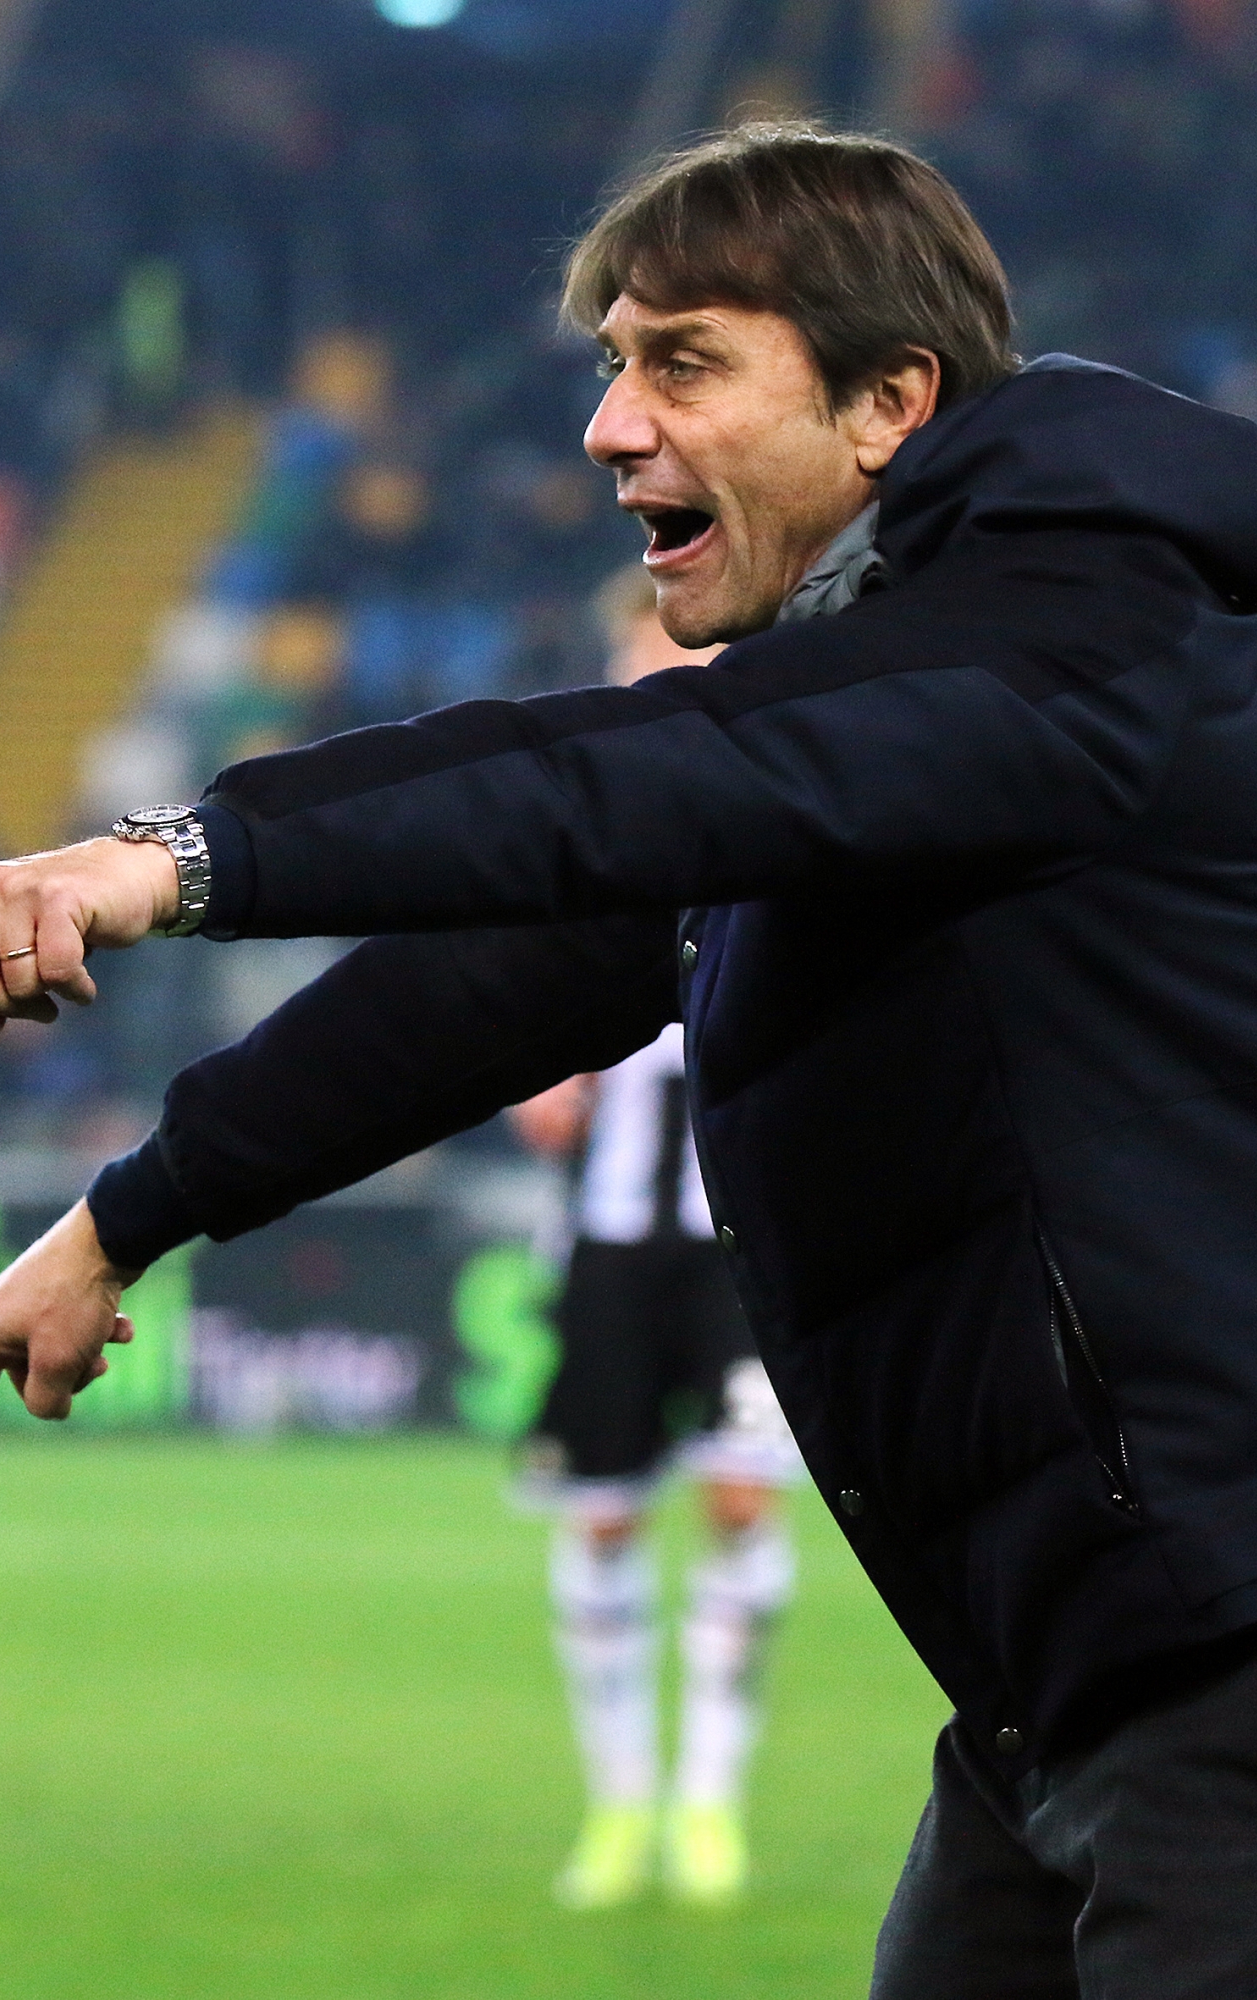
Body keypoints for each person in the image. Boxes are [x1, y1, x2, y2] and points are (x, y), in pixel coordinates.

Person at [0, 123, 1257, 1999]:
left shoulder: (1070, 638)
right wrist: (129, 1215)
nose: (610, 425)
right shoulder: (857, 704)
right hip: (1093, 1673)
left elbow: (620, 781)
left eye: (683, 362)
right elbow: (498, 980)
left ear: (886, 407)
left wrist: (172, 859)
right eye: (612, 365)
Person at [502, 570, 801, 1911]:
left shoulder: (783, 826)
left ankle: (709, 1802)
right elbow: (509, 1050)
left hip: (746, 1239)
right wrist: (537, 1079)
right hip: (615, 1242)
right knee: (607, 1520)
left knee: (740, 1498)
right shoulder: (578, 853)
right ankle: (618, 1801)